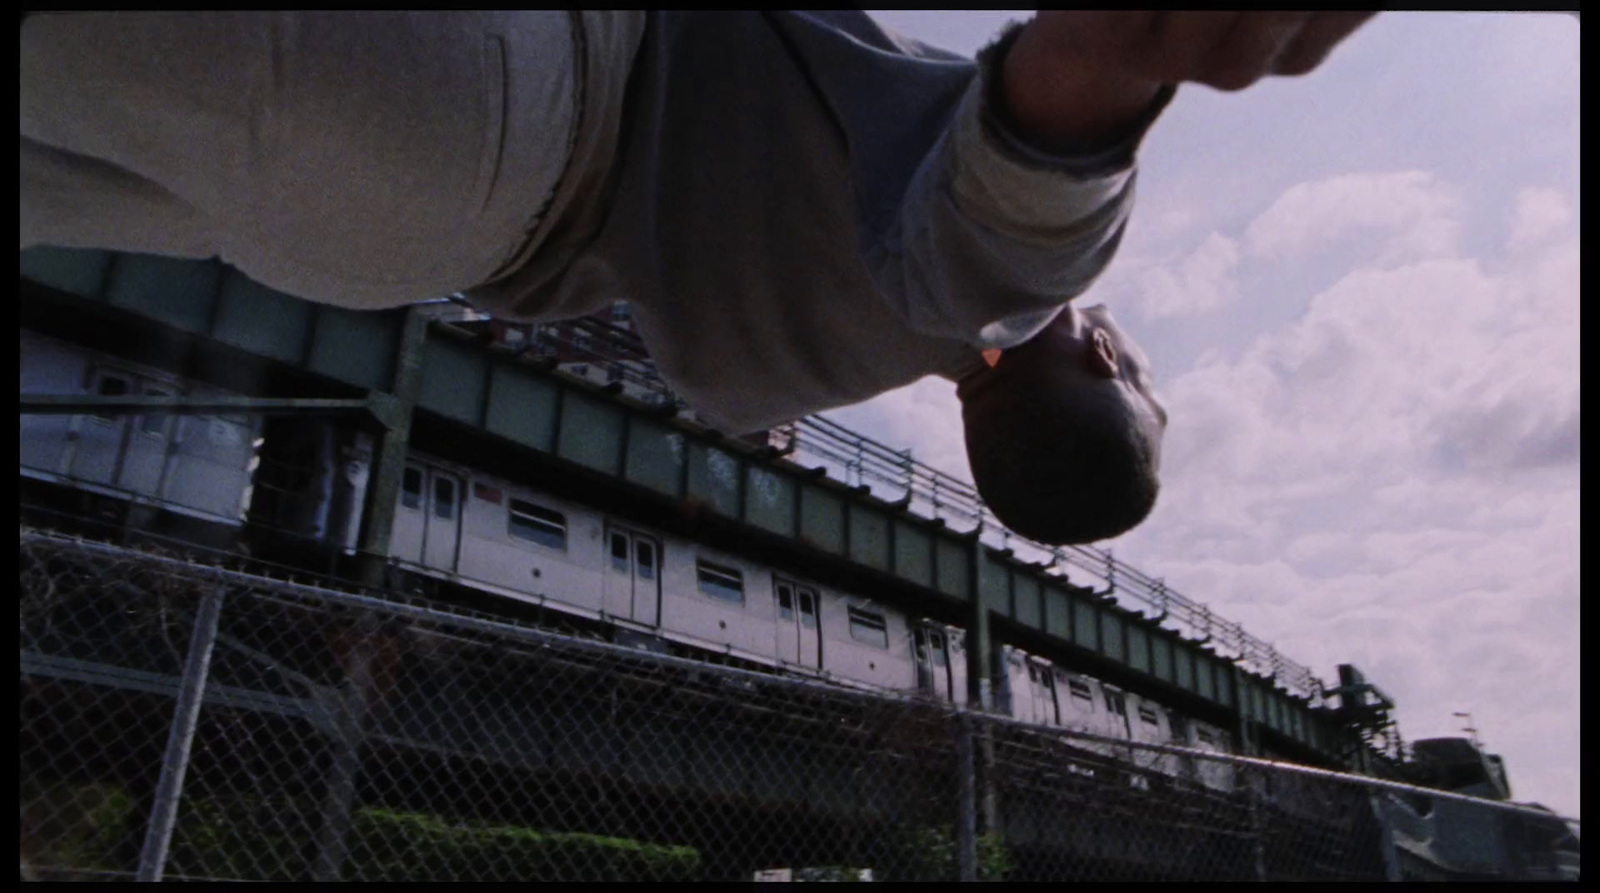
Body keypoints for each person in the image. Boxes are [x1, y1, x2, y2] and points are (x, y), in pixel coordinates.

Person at [19, 11, 1375, 545]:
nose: (1123, 339)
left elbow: (1058, 126)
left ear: (1095, 358)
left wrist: (1126, 54)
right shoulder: (785, 367)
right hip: (396, 239)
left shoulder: (1007, 278)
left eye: (1130, 366)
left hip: (501, 83)